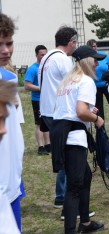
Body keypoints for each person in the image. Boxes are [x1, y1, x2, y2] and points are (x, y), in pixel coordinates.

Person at [51, 45, 105, 233]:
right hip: (74, 137)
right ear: (87, 62)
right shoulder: (86, 81)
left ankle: (85, 223)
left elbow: (68, 110)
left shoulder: (67, 82)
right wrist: (97, 118)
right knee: (74, 186)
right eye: (95, 60)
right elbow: (81, 112)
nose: (98, 64)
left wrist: (90, 112)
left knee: (85, 176)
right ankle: (70, 230)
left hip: (61, 135)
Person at [38, 26, 78, 212]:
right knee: (68, 155)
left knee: (61, 154)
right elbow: (74, 85)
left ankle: (62, 196)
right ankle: (65, 198)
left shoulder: (45, 58)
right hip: (58, 113)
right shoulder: (62, 59)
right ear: (70, 42)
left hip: (46, 111)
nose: (75, 46)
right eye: (75, 43)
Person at [0, 13, 25, 233]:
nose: (6, 50)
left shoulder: (8, 79)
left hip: (12, 179)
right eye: (0, 45)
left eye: (9, 43)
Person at [24, 45, 50, 155]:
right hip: (37, 100)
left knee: (48, 122)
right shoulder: (32, 69)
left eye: (45, 54)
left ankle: (48, 145)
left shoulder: (48, 67)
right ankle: (41, 147)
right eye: (41, 55)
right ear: (36, 55)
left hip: (48, 99)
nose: (44, 56)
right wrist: (42, 88)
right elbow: (27, 86)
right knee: (39, 123)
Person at [86, 39, 109, 120]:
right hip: (95, 86)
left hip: (107, 84)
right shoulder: (87, 59)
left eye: (95, 46)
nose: (94, 48)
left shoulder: (103, 55)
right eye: (91, 47)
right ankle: (100, 125)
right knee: (98, 107)